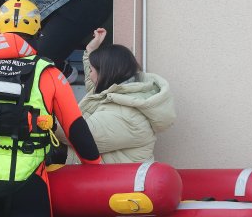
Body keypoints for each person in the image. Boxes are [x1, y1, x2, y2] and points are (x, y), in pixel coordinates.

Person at [0, 0, 102, 217]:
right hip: (29, 181)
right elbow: (75, 127)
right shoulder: (48, 73)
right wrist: (95, 165)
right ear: (37, 31)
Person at [58, 28, 176, 164]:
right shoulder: (118, 92)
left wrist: (46, 120)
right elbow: (93, 84)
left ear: (105, 73)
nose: (89, 74)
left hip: (109, 177)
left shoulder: (127, 115)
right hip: (98, 172)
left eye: (91, 70)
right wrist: (91, 50)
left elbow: (83, 137)